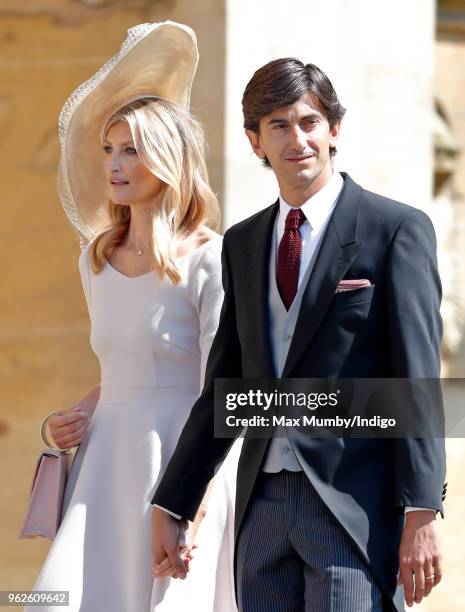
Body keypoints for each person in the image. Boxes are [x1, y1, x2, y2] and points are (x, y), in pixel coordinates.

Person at [151, 58, 447, 611]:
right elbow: (226, 389)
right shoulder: (242, 243)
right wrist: (175, 502)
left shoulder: (395, 230)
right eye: (279, 125)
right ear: (254, 140)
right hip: (262, 505)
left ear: (334, 130)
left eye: (310, 122)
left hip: (351, 506)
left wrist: (422, 511)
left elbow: (415, 380)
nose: (298, 138)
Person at [27, 22, 239, 612]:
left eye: (132, 150)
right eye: (109, 149)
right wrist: (69, 419)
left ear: (169, 159)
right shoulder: (94, 262)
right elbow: (124, 374)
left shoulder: (211, 257)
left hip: (181, 464)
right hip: (104, 468)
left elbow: (221, 390)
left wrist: (190, 503)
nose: (115, 165)